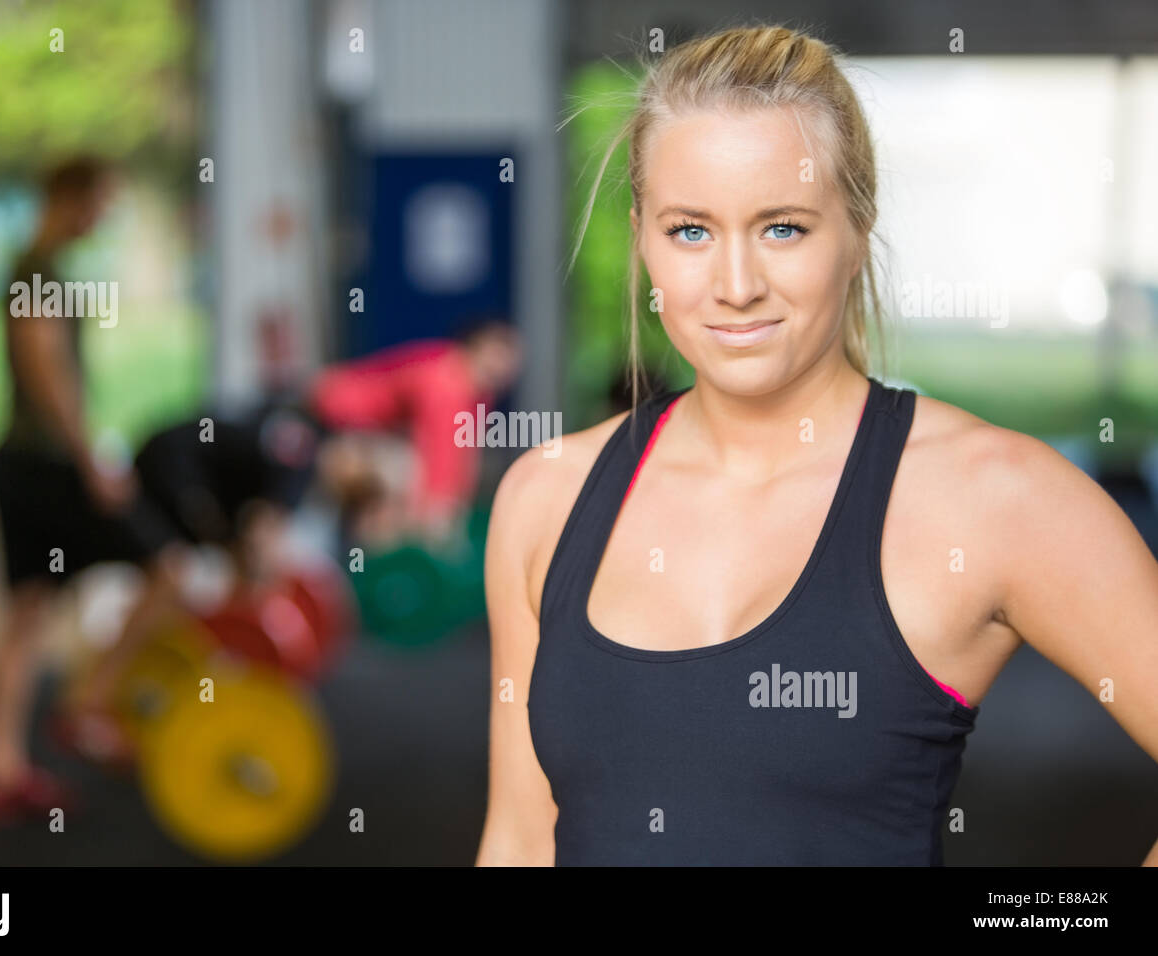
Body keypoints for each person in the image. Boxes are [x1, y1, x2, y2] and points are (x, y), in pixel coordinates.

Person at [476, 25, 1158, 866]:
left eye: (783, 228)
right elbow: (518, 839)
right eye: (690, 230)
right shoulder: (546, 497)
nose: (734, 285)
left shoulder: (994, 497)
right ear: (643, 236)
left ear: (857, 230)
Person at [0, 156, 188, 823]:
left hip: (23, 464)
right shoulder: (36, 273)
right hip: (45, 467)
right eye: (100, 201)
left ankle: (0, 770)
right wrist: (91, 457)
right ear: (68, 196)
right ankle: (86, 704)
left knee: (27, 613)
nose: (104, 215)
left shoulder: (37, 266)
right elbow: (47, 372)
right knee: (171, 570)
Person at [304, 317, 523, 548]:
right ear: (482, 347)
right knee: (406, 480)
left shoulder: (474, 389)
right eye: (504, 354)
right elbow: (439, 453)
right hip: (329, 423)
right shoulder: (449, 378)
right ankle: (371, 562)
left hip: (356, 430)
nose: (511, 367)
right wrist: (437, 519)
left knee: (410, 487)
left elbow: (464, 457)